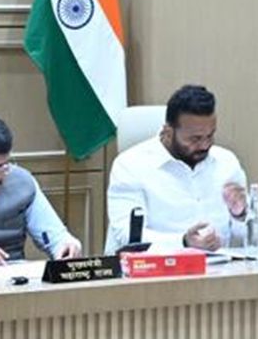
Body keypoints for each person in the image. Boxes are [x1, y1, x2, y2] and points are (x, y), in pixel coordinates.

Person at [105, 85, 248, 253]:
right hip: (157, 267)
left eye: (210, 136)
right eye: (195, 139)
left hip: (221, 266)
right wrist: (183, 242)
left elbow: (245, 241)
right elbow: (129, 237)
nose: (205, 145)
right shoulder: (130, 166)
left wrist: (240, 215)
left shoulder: (227, 162)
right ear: (168, 131)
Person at [0, 114, 81, 263]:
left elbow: (54, 236)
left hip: (13, 273)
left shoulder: (22, 182)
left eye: (2, 166)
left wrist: (65, 245)